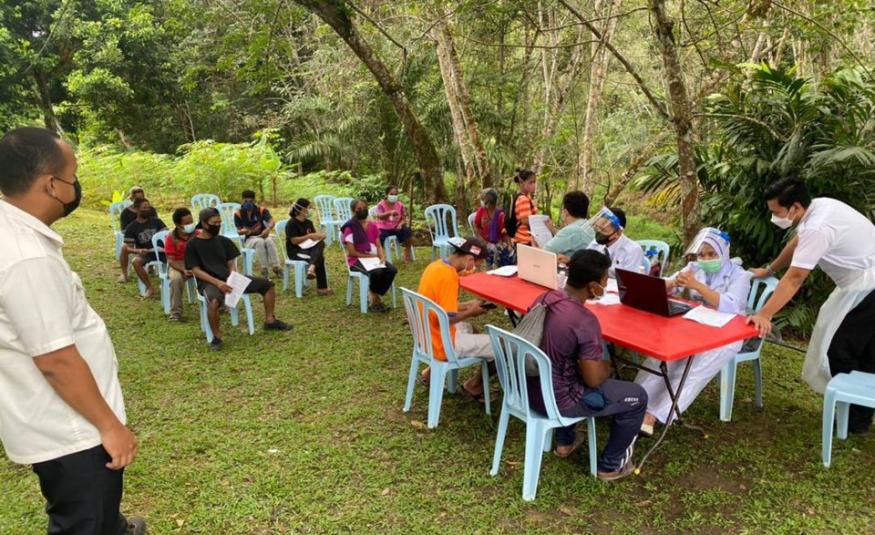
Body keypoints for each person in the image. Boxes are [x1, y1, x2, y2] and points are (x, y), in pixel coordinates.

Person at [0, 127, 146, 534]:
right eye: (72, 175)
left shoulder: (11, 232)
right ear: (51, 185)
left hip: (59, 420)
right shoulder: (28, 259)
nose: (75, 185)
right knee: (83, 520)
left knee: (99, 515)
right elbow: (56, 360)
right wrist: (110, 427)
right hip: (74, 431)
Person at [748, 177, 875, 434]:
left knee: (840, 349)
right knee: (864, 348)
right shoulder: (818, 206)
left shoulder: (818, 226)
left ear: (794, 207)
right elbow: (797, 243)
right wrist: (770, 269)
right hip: (861, 282)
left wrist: (764, 314)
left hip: (867, 285)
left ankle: (855, 418)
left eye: (776, 212)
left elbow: (795, 278)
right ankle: (858, 413)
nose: (774, 217)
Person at [529, 249, 645, 481]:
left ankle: (565, 442)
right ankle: (610, 465)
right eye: (604, 281)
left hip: (528, 390)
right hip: (558, 401)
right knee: (638, 396)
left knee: (564, 370)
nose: (605, 285)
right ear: (593, 286)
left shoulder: (544, 298)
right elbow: (593, 379)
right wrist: (608, 366)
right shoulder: (585, 320)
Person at [636, 228, 751, 435]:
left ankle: (655, 415)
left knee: (693, 370)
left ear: (724, 251)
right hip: (690, 325)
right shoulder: (693, 268)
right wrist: (673, 282)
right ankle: (635, 401)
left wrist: (697, 286)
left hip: (725, 333)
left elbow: (731, 306)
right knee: (660, 359)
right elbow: (664, 287)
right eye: (702, 254)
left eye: (712, 254)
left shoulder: (739, 276)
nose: (705, 259)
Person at [186, 207, 291, 351]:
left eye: (219, 222)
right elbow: (196, 270)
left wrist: (232, 276)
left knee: (268, 285)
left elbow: (231, 262)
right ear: (204, 223)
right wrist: (218, 283)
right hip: (208, 282)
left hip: (228, 278)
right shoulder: (193, 244)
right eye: (214, 223)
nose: (217, 225)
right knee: (214, 301)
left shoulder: (223, 241)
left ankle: (270, 320)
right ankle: (217, 337)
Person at [417, 237, 494, 399]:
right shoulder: (449, 277)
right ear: (469, 259)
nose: (473, 270)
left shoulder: (436, 266)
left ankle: (430, 373)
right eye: (475, 265)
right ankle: (474, 386)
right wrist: (471, 312)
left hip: (425, 334)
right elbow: (444, 319)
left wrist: (467, 305)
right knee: (501, 345)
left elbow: (439, 305)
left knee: (471, 328)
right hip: (441, 343)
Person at [341, 198, 398, 313]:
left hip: (373, 259)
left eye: (364, 208)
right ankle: (375, 300)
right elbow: (352, 252)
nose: (362, 210)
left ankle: (374, 292)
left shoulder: (372, 226)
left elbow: (378, 245)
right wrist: (370, 257)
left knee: (391, 270)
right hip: (356, 260)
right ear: (353, 211)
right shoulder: (350, 227)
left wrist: (382, 256)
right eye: (359, 209)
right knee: (377, 272)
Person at [285, 198, 332, 296]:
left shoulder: (308, 223)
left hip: (309, 249)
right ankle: (322, 287)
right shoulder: (291, 223)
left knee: (320, 243)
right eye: (308, 208)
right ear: (302, 210)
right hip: (296, 251)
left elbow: (314, 238)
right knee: (320, 257)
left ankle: (311, 267)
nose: (310, 210)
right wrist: (309, 236)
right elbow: (293, 241)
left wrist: (320, 236)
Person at [123, 197, 167, 299]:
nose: (147, 209)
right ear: (137, 209)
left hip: (163, 251)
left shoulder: (157, 221)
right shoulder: (132, 227)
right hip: (148, 254)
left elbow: (167, 235)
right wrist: (138, 250)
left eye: (148, 207)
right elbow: (127, 248)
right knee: (136, 261)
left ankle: (166, 283)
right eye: (144, 207)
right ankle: (150, 288)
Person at [234, 190, 282, 280]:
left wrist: (268, 229)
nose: (248, 203)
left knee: (269, 241)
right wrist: (243, 231)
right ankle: (264, 270)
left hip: (263, 235)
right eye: (246, 201)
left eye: (250, 201)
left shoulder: (261, 210)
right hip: (250, 239)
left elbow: (271, 221)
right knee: (260, 242)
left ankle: (277, 267)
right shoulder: (238, 214)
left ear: (254, 201)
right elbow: (238, 231)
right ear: (242, 200)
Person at [585, 207, 645, 275]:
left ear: (618, 233)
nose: (599, 233)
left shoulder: (632, 250)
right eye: (598, 228)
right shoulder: (595, 243)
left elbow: (627, 280)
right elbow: (584, 263)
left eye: (604, 230)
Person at [164, 207, 197, 321]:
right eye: (187, 223)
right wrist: (184, 270)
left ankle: (221, 305)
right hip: (178, 264)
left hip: (196, 263)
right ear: (178, 225)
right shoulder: (171, 238)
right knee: (176, 279)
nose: (191, 225)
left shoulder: (198, 233)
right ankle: (176, 313)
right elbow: (171, 260)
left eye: (191, 221)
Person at [511, 168, 555, 247]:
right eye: (530, 182)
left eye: (534, 182)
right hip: (525, 240)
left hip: (526, 239)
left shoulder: (527, 197)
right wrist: (542, 223)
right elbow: (525, 220)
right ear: (521, 183)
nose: (533, 185)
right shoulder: (523, 199)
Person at [473, 188, 514, 268]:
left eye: (483, 200)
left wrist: (509, 245)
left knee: (500, 251)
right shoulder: (481, 211)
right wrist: (482, 241)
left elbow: (504, 233)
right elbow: (476, 226)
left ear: (489, 202)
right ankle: (489, 267)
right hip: (483, 241)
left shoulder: (500, 215)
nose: (481, 202)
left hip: (497, 242)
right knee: (486, 249)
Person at [374, 185, 414, 263]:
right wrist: (390, 213)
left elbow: (403, 219)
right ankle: (380, 257)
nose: (393, 196)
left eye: (395, 194)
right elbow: (379, 216)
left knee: (408, 231)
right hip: (383, 228)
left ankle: (406, 253)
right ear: (387, 194)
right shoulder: (381, 204)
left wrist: (400, 224)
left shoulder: (400, 205)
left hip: (396, 227)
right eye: (391, 194)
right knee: (380, 236)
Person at [544, 191, 591, 257]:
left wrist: (533, 242)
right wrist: (553, 229)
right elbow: (570, 238)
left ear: (566, 212)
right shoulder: (589, 225)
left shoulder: (571, 230)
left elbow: (545, 252)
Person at [117, 186, 146, 283]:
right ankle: (124, 274)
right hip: (132, 238)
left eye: (141, 199)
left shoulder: (149, 210)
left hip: (147, 236)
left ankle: (151, 267)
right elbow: (124, 230)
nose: (139, 201)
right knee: (124, 248)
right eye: (137, 199)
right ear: (132, 199)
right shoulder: (126, 212)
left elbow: (155, 224)